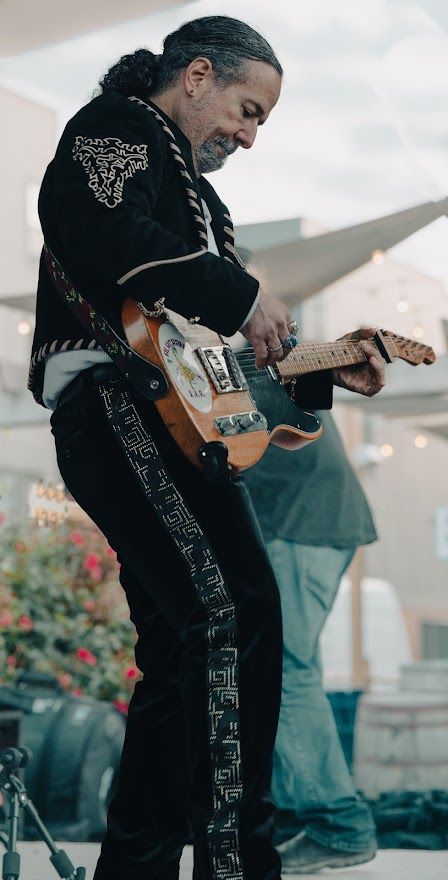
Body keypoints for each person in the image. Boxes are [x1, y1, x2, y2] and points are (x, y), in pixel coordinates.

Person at [28, 16, 385, 880]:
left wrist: (320, 373)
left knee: (183, 646)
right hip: (115, 405)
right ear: (195, 75)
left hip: (162, 417)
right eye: (247, 109)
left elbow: (210, 363)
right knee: (237, 611)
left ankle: (140, 866)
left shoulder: (206, 206)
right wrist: (243, 292)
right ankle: (237, 861)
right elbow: (109, 235)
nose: (250, 136)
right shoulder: (116, 127)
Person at [244, 409, 378, 873]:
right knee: (293, 668)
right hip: (314, 518)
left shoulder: (249, 369)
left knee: (285, 671)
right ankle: (308, 820)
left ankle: (337, 823)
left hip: (297, 521)